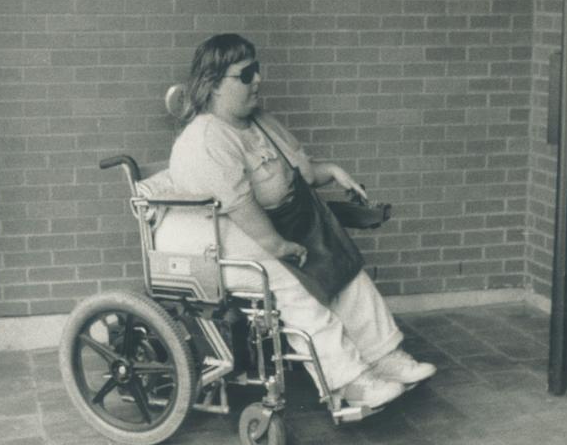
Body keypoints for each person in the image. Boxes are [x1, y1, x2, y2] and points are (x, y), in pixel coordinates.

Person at [162, 33, 434, 410]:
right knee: (294, 279)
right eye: (245, 75)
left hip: (268, 227)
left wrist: (334, 172)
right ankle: (348, 380)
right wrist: (279, 246)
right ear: (213, 85)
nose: (257, 79)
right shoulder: (206, 138)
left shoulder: (260, 123)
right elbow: (239, 205)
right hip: (218, 244)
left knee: (340, 261)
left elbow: (300, 173)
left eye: (256, 70)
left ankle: (383, 354)